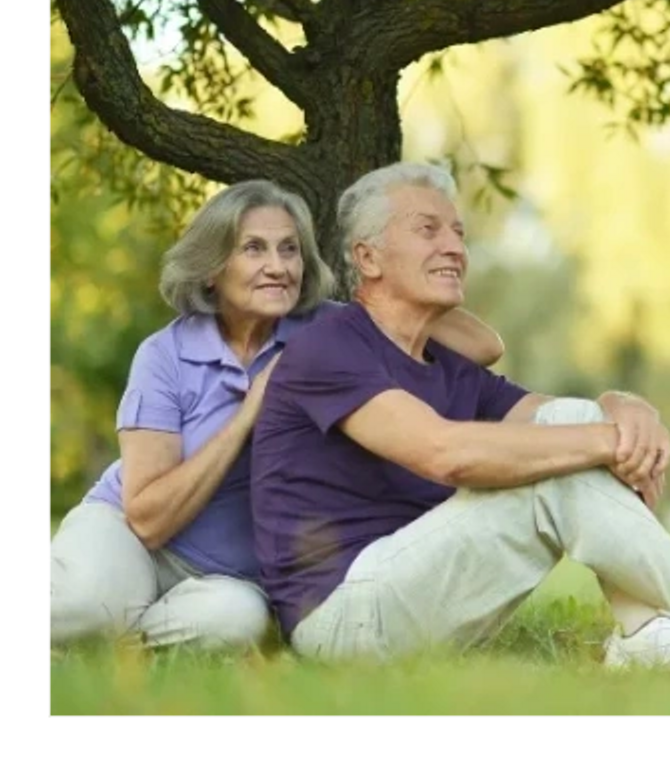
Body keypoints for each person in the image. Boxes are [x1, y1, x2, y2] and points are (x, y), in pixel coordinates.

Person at [251, 162, 670, 677]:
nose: (454, 246)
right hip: (342, 619)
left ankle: (644, 631)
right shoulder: (328, 345)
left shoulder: (448, 366)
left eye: (459, 233)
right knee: (567, 454)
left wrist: (625, 408)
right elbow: (445, 455)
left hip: (419, 596)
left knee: (573, 426)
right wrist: (608, 443)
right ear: (368, 258)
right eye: (428, 230)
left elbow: (562, 417)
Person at [47, 178, 505, 652]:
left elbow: (484, 347)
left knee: (235, 625)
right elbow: (146, 520)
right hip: (131, 538)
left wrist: (386, 289)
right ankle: (90, 614)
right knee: (89, 607)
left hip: (227, 577)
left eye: (290, 250)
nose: (278, 267)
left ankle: (109, 649)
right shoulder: (165, 354)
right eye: (254, 249)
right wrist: (247, 415)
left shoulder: (332, 329)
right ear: (212, 269)